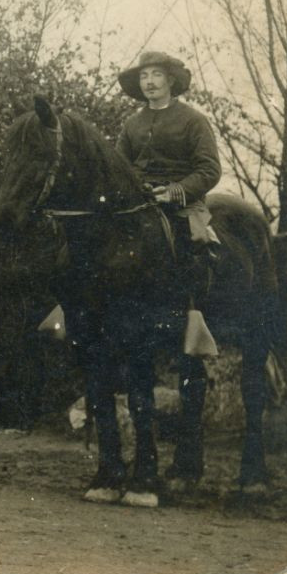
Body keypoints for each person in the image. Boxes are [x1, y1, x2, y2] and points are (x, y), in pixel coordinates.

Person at [115, 51, 222, 350]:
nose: (149, 82)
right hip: (140, 204)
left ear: (170, 80)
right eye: (143, 76)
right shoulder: (131, 125)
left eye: (156, 75)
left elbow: (210, 169)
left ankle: (196, 317)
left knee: (197, 246)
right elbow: (119, 169)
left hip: (184, 204)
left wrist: (175, 191)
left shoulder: (193, 120)